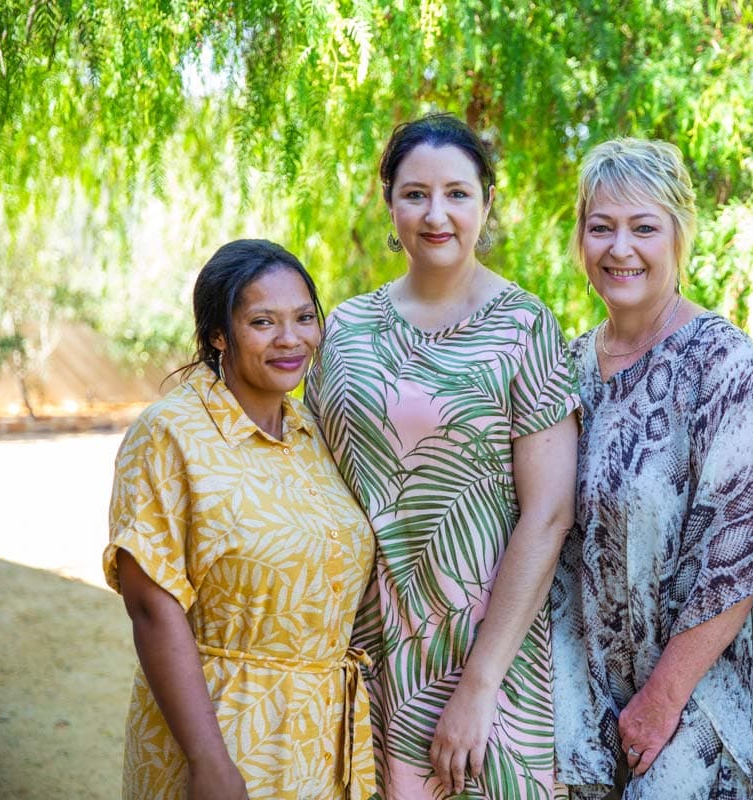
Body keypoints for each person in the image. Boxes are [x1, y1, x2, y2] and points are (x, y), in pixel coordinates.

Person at [306, 112, 580, 800]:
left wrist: (479, 685)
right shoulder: (343, 330)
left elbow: (549, 514)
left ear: (486, 203)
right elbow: (308, 478)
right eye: (415, 194)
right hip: (360, 656)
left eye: (457, 193)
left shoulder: (525, 326)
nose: (436, 214)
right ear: (389, 203)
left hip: (486, 659)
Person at [550, 137, 753, 800]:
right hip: (589, 705)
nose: (620, 248)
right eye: (601, 227)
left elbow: (745, 550)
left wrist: (662, 698)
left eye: (643, 228)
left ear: (679, 235)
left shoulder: (722, 365)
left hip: (700, 703)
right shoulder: (566, 367)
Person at [104, 239, 378, 800]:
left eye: (304, 318)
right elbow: (152, 607)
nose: (291, 339)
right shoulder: (169, 433)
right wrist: (209, 760)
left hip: (318, 744)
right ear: (217, 335)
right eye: (263, 322)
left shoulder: (311, 433)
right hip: (222, 730)